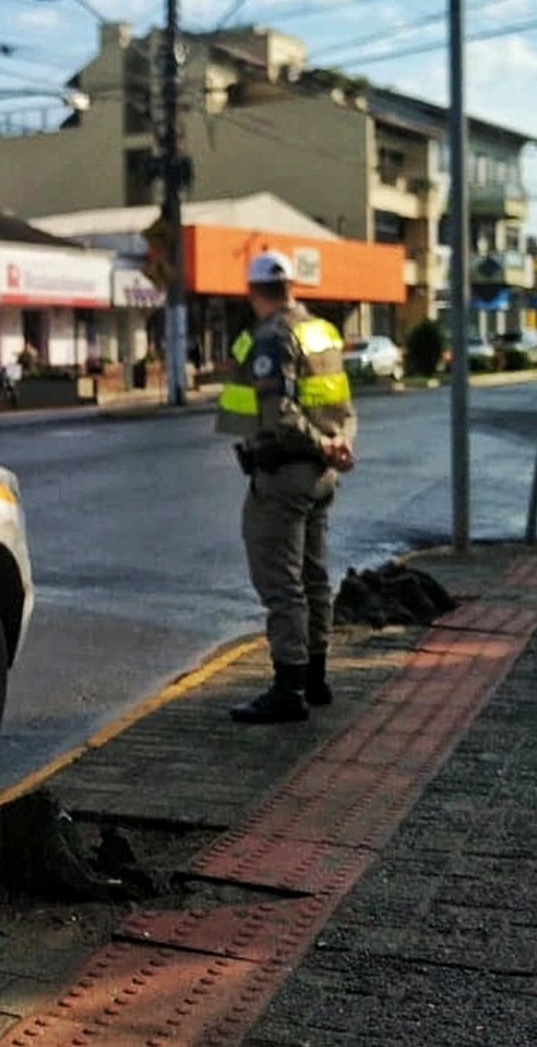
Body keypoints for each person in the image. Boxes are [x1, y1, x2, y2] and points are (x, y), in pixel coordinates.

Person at [215, 250, 357, 724]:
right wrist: (339, 445)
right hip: (321, 477)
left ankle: (288, 688)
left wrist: (320, 444)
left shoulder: (274, 337)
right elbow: (344, 404)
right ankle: (314, 678)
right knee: (315, 579)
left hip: (285, 474)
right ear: (292, 286)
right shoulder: (321, 331)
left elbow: (280, 416)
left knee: (282, 585)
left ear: (253, 292)